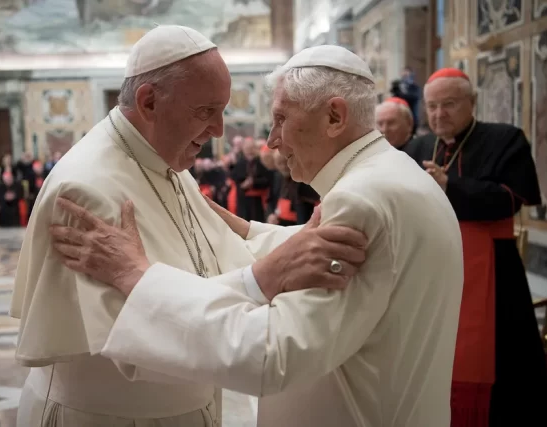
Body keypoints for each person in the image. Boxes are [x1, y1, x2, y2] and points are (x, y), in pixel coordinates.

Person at [50, 46, 465, 426]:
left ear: (335, 117)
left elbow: (272, 354)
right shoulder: (396, 173)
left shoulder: (359, 200)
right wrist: (245, 228)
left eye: (281, 118)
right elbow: (335, 253)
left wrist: (137, 278)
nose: (272, 140)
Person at [11, 26, 367, 427]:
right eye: (205, 111)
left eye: (222, 111)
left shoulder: (169, 164)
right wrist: (266, 277)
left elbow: (225, 258)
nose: (219, 130)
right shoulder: (86, 190)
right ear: (149, 102)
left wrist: (298, 245)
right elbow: (140, 344)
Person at [404, 67, 547, 427]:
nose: (439, 114)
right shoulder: (417, 148)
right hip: (429, 269)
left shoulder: (505, 139)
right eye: (432, 106)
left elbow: (511, 199)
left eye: (450, 104)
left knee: (499, 360)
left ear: (473, 102)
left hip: (492, 270)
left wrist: (449, 186)